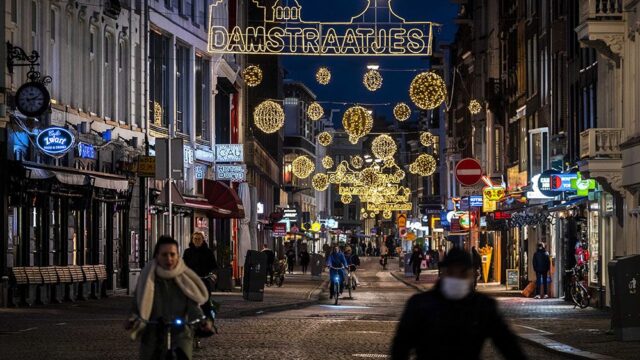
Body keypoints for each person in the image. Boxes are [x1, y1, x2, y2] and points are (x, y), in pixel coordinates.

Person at [391, 248, 526, 360]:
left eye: (462, 273)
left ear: (470, 274)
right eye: (451, 272)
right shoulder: (420, 304)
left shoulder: (483, 306)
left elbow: (508, 344)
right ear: (443, 273)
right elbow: (400, 347)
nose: (456, 277)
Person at [126, 236, 211, 360]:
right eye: (164, 254)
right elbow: (137, 303)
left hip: (180, 334)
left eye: (172, 254)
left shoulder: (185, 279)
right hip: (153, 333)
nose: (169, 259)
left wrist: (202, 321)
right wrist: (132, 318)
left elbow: (193, 306)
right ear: (157, 256)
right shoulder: (148, 278)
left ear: (178, 256)